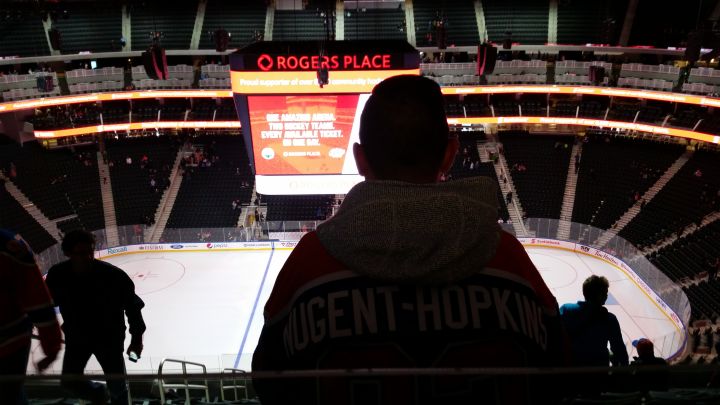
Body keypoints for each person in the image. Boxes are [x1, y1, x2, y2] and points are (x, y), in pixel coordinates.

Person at [252, 75, 568, 405]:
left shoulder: (309, 263)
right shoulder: (510, 260)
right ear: (450, 154)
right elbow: (560, 372)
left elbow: (268, 382)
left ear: (360, 159)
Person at [45, 230, 146, 405]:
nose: (88, 257)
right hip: (77, 338)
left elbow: (133, 308)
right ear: (68, 253)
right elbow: (45, 304)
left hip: (110, 340)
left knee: (118, 387)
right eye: (81, 254)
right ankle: (99, 393)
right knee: (69, 381)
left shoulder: (114, 276)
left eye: (90, 252)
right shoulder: (57, 275)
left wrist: (136, 340)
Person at [0, 229, 62, 405]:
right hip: (11, 342)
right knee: (10, 396)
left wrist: (51, 347)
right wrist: (52, 347)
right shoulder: (9, 244)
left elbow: (38, 300)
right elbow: (38, 300)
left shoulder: (8, 246)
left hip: (11, 343)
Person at [559, 275, 628, 367]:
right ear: (600, 295)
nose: (607, 296)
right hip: (598, 372)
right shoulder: (609, 319)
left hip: (571, 368)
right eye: (605, 293)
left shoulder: (566, 310)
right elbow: (619, 349)